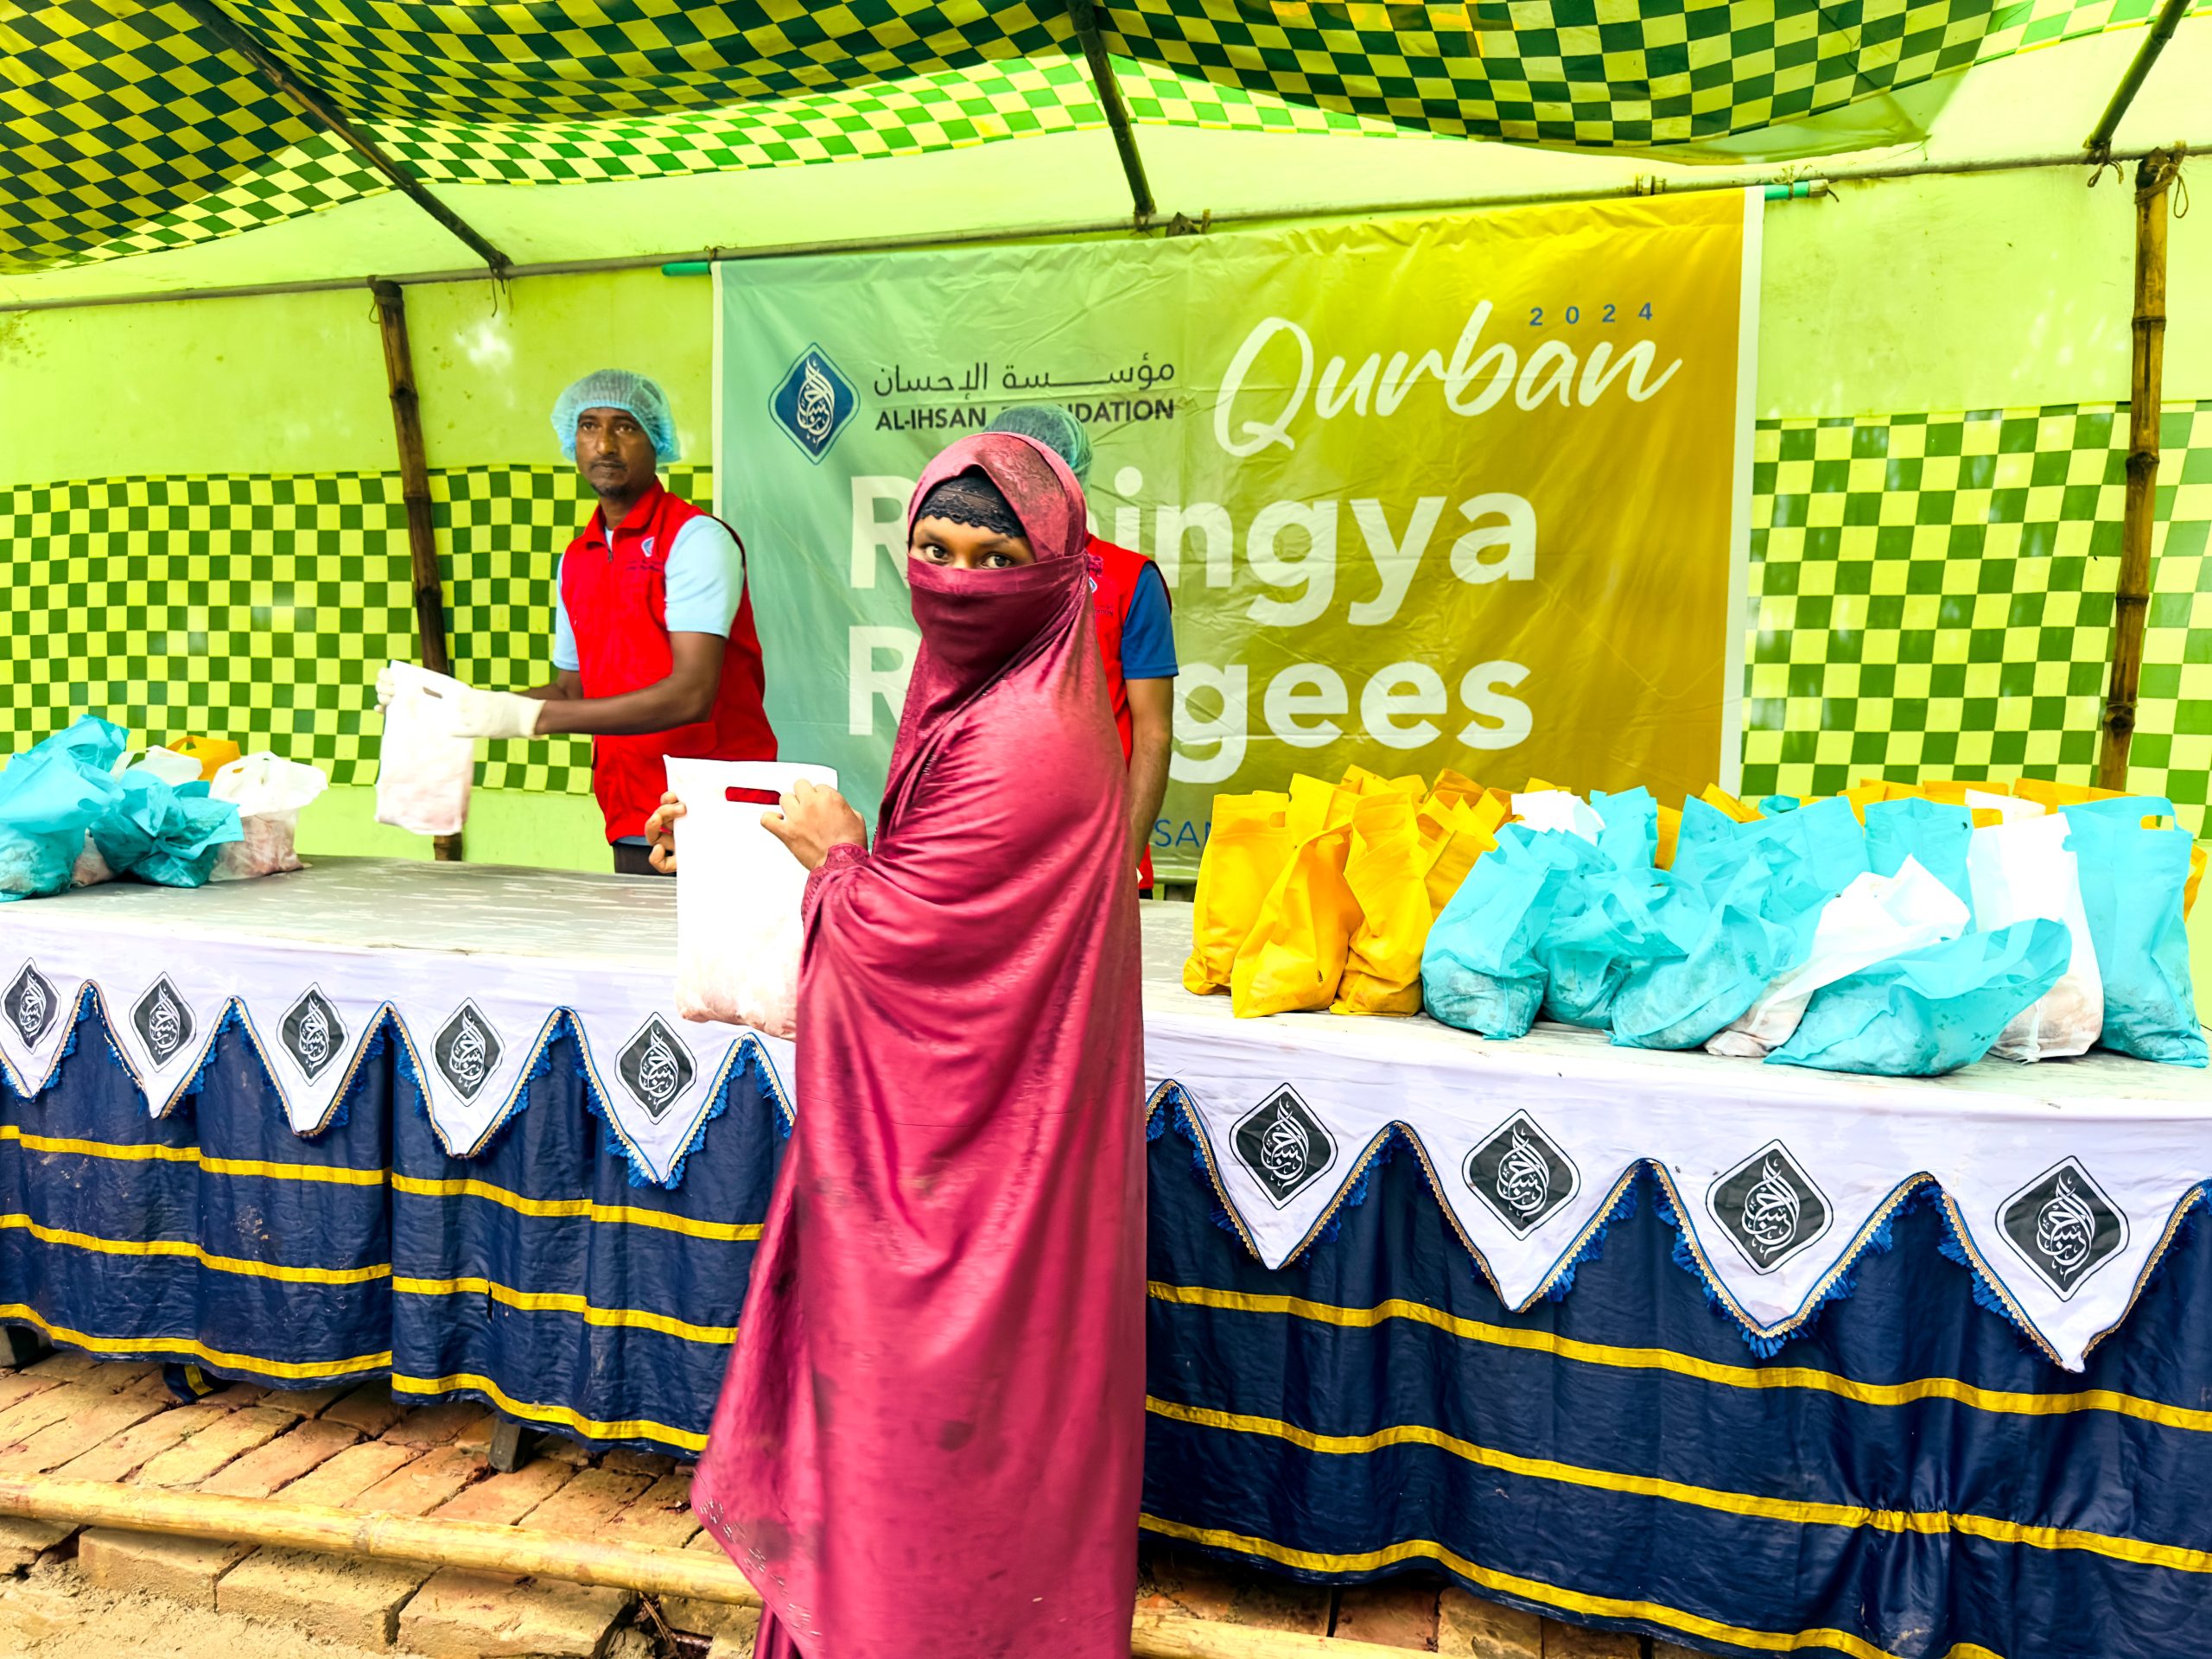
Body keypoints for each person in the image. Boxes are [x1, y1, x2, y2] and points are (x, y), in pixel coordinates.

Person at [690, 432, 1145, 1659]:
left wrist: (839, 861)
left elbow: (899, 941)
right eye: (935, 548)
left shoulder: (1025, 737)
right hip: (980, 1145)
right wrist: (756, 836)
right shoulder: (988, 698)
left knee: (938, 1439)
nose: (957, 579)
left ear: (1060, 571)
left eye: (995, 557)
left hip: (972, 1186)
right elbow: (929, 892)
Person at [410, 369, 775, 874]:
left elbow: (692, 693)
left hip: (716, 807)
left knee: (714, 931)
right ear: (572, 441)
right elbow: (572, 691)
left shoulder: (696, 540)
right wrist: (462, 707)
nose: (604, 444)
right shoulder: (576, 559)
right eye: (588, 426)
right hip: (629, 810)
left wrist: (529, 718)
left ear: (656, 440)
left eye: (624, 426)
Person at [988, 404, 1175, 889]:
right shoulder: (973, 578)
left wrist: (1123, 861)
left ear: (1070, 480)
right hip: (990, 855)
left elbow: (1153, 733)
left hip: (1097, 854)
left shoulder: (1130, 580)